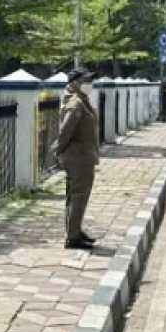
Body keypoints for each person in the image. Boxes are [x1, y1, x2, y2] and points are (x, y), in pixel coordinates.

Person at [54, 69, 101, 250]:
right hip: (78, 156)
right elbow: (66, 130)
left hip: (81, 155)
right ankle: (73, 236)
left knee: (77, 196)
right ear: (74, 82)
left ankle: (75, 230)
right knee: (79, 196)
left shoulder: (81, 100)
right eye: (85, 80)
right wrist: (59, 147)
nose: (89, 83)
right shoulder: (76, 103)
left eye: (90, 80)